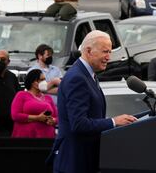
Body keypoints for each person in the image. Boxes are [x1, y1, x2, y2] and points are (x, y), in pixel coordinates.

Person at [50, 30, 137, 173]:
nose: (109, 57)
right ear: (89, 51)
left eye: (109, 52)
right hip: (75, 162)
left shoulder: (89, 75)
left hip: (85, 159)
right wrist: (114, 122)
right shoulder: (77, 78)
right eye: (105, 52)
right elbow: (78, 124)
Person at [11, 69, 57, 138]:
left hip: (47, 136)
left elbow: (57, 116)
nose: (44, 82)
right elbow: (15, 115)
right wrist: (37, 118)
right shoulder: (21, 95)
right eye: (41, 80)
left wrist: (53, 120)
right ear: (33, 82)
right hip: (26, 137)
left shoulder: (48, 98)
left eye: (45, 80)